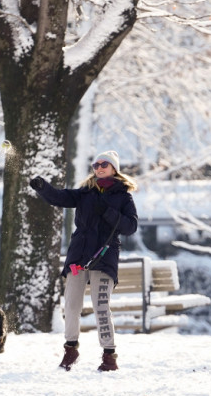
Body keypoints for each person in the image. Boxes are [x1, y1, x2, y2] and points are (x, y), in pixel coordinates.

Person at [30, 150, 138, 372]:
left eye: (104, 164)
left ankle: (109, 355)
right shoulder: (85, 193)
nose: (99, 168)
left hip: (104, 256)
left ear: (114, 168)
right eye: (95, 164)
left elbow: (130, 227)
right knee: (71, 305)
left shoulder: (123, 197)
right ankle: (71, 349)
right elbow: (59, 197)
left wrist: (107, 212)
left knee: (101, 306)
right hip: (78, 257)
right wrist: (43, 187)